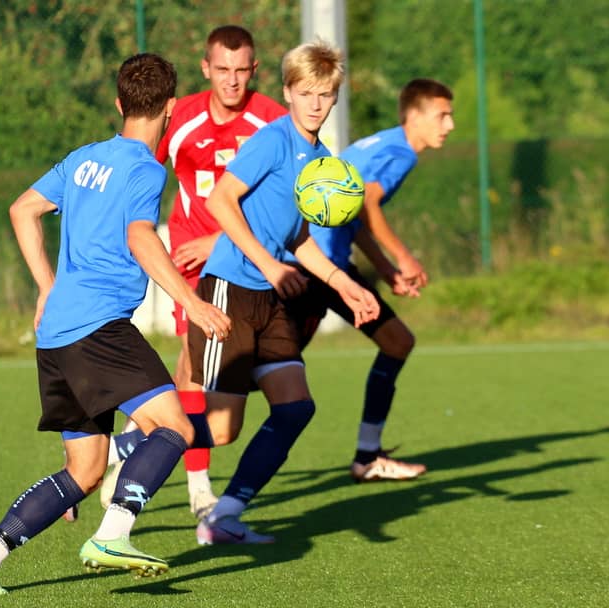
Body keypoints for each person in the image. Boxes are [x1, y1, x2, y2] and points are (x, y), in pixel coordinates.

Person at [0, 53, 232, 596]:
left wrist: (46, 287)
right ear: (171, 108)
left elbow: (22, 210)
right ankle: (113, 534)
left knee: (84, 471)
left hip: (56, 335)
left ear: (119, 103)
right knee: (175, 427)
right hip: (98, 329)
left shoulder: (83, 159)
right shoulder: (146, 169)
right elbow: (140, 236)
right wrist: (192, 303)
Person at [188, 39, 378, 544]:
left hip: (269, 297)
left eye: (325, 94)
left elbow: (298, 237)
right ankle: (134, 444)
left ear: (335, 96)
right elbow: (221, 201)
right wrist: (270, 265)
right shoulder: (272, 141)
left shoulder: (321, 159)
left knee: (296, 408)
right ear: (288, 92)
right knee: (222, 430)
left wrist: (343, 283)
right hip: (230, 287)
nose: (316, 103)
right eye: (306, 92)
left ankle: (224, 517)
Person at [98, 25, 287, 522]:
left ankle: (130, 444)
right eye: (222, 69)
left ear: (255, 69)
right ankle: (199, 489)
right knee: (193, 373)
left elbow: (279, 205)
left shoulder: (273, 122)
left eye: (242, 70)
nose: (232, 80)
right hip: (193, 266)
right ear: (206, 69)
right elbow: (140, 166)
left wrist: (220, 240)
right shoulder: (179, 117)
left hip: (249, 266)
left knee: (219, 403)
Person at [286, 78, 455, 482]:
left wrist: (385, 269)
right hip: (319, 265)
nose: (449, 125)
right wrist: (404, 258)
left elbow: (353, 213)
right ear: (414, 116)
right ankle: (157, 426)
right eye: (442, 116)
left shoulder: (381, 143)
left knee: (395, 342)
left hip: (322, 259)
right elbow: (366, 203)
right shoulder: (400, 152)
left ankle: (368, 455)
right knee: (265, 372)